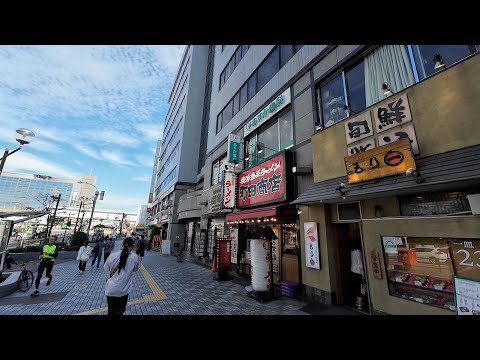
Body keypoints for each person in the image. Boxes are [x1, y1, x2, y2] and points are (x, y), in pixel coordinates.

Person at [104, 237, 140, 315]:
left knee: (110, 312)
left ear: (122, 244)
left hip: (111, 289)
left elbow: (106, 269)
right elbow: (135, 269)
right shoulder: (134, 257)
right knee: (120, 312)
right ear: (132, 246)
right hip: (123, 291)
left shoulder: (113, 256)